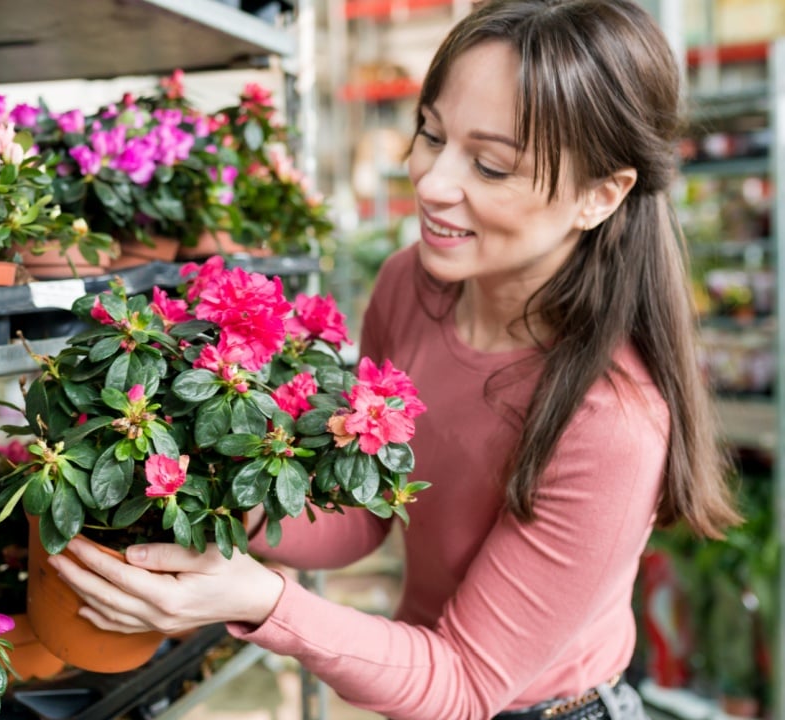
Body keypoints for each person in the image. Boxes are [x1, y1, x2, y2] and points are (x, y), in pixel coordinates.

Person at [45, 0, 741, 717]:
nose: (433, 182)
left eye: (492, 165)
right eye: (430, 134)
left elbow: (465, 682)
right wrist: (194, 489)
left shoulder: (612, 422)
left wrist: (261, 598)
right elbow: (363, 511)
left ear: (600, 195)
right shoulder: (414, 285)